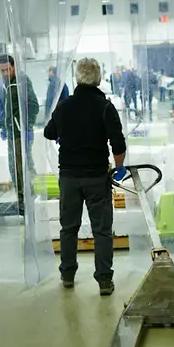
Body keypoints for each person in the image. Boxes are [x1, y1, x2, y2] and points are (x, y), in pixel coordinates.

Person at [44, 58, 126, 295]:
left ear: (77, 78)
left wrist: (64, 132)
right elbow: (118, 143)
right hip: (96, 177)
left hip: (69, 177)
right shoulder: (105, 107)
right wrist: (118, 167)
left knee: (68, 227)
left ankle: (67, 275)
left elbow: (50, 133)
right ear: (98, 78)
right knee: (101, 230)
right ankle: (104, 281)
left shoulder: (64, 106)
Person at [0, 54, 40, 214]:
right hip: (11, 131)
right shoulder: (6, 83)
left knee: (23, 167)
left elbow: (33, 105)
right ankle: (22, 199)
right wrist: (4, 125)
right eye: (2, 71)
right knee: (15, 167)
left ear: (14, 66)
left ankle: (29, 198)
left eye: (7, 69)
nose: (5, 73)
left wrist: (28, 127)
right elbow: (8, 106)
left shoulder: (22, 81)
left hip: (21, 132)